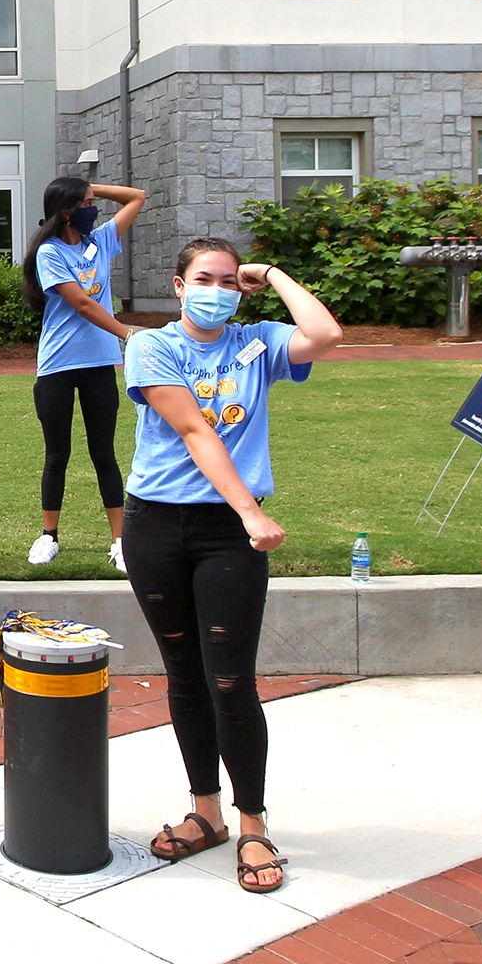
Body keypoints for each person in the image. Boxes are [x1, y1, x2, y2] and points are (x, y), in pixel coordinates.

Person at [125, 238, 343, 894]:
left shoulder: (256, 343)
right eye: (203, 279)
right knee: (185, 678)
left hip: (229, 535)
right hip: (157, 525)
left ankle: (253, 824)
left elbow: (326, 333)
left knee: (231, 683)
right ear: (178, 285)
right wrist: (252, 509)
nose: (217, 289)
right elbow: (195, 431)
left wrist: (272, 273)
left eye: (228, 279)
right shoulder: (151, 346)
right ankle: (206, 814)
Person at [21, 177, 148, 572]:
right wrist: (128, 333)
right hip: (57, 365)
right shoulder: (49, 253)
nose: (96, 207)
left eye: (94, 201)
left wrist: (88, 185)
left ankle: (121, 541)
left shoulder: (100, 242)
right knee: (57, 453)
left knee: (104, 453)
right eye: (88, 203)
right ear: (66, 211)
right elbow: (82, 304)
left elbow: (137, 197)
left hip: (98, 365)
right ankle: (49, 536)